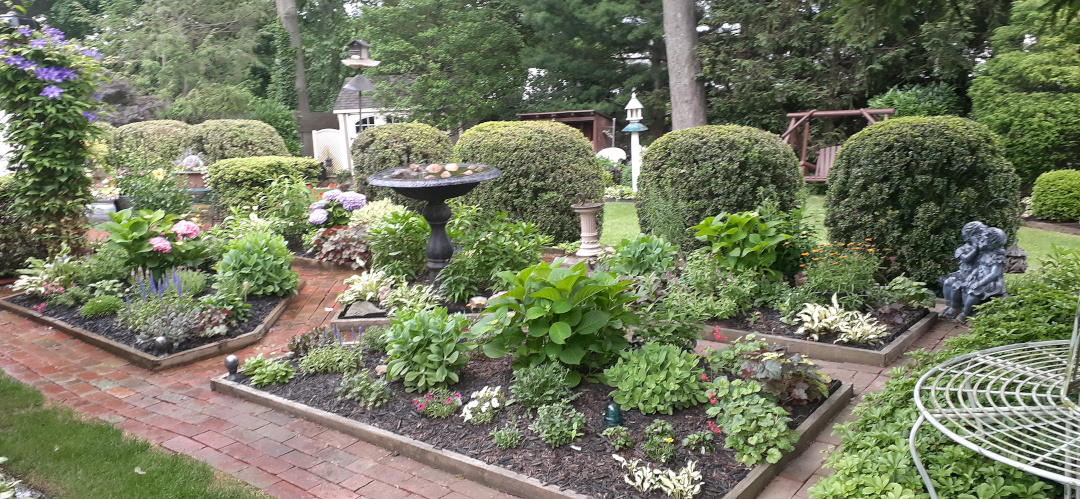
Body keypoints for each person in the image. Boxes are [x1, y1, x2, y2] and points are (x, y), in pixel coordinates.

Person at [943, 226, 1007, 322]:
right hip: (979, 279)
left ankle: (965, 314)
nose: (979, 241)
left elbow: (994, 274)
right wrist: (973, 274)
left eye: (983, 240)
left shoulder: (997, 257)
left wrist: (979, 283)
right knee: (957, 285)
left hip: (991, 283)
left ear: (991, 243)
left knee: (975, 292)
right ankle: (955, 308)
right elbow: (979, 267)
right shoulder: (985, 254)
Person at [941, 221, 987, 319]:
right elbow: (966, 259)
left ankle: (956, 307)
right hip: (963, 273)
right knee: (948, 282)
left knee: (956, 286)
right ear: (968, 236)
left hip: (977, 275)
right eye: (976, 235)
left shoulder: (984, 249)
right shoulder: (962, 249)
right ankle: (950, 306)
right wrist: (975, 249)